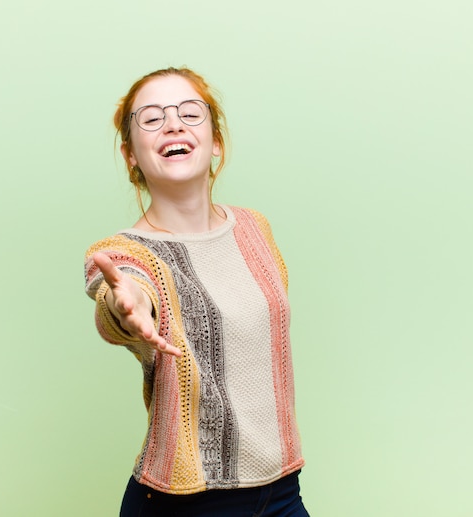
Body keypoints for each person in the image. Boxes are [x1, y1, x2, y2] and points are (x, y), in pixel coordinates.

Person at [84, 67, 309, 516]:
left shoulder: (254, 229)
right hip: (185, 503)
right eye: (151, 118)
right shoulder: (127, 252)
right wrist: (128, 308)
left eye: (190, 112)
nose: (173, 123)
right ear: (131, 154)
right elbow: (121, 293)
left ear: (216, 142)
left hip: (282, 489)